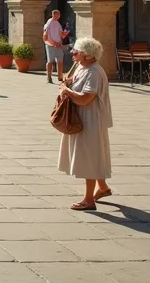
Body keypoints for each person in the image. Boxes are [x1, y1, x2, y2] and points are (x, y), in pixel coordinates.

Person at [58, 37, 113, 211]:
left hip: (91, 119)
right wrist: (68, 83)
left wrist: (67, 91)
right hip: (82, 117)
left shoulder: (94, 72)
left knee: (89, 157)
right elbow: (75, 81)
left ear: (88, 55)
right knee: (93, 154)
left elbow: (86, 98)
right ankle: (102, 187)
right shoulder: (83, 67)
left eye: (77, 51)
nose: (73, 53)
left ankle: (89, 200)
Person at [42, 10, 68, 85]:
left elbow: (61, 35)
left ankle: (60, 76)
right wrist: (52, 42)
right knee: (50, 61)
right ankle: (49, 77)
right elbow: (45, 34)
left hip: (58, 45)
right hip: (51, 45)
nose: (57, 16)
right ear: (53, 15)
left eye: (58, 15)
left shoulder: (58, 24)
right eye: (56, 15)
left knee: (60, 61)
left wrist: (64, 34)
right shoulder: (49, 22)